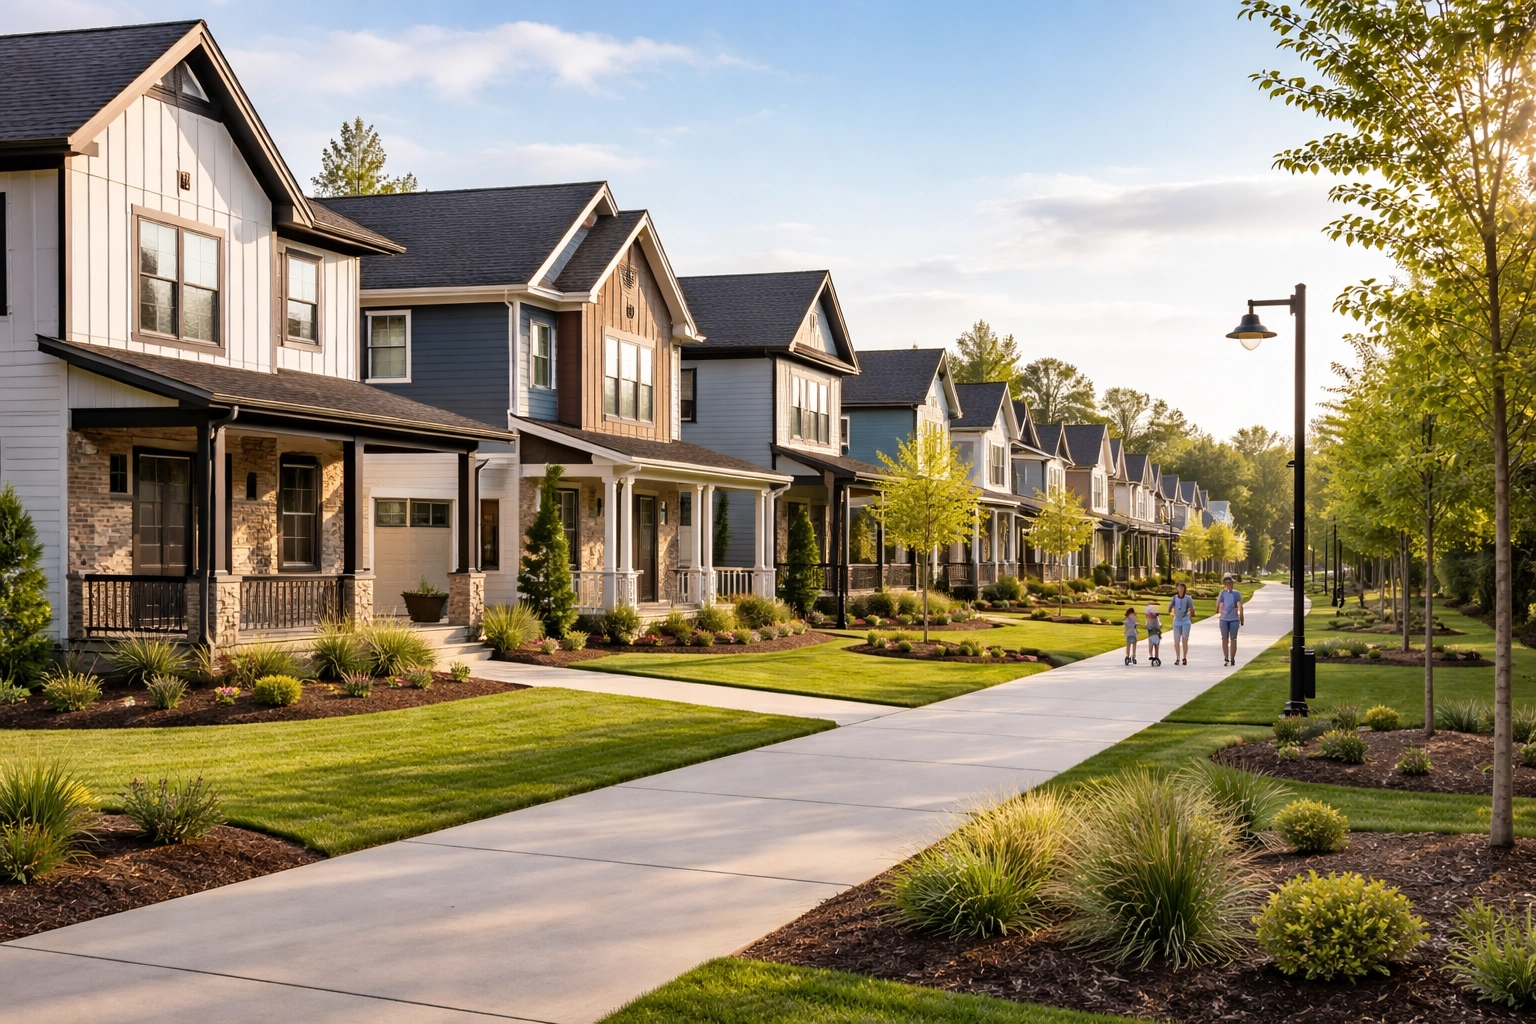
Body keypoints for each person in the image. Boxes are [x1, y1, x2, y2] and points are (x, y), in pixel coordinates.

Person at [1217, 573, 1245, 666]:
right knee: (1224, 639)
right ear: (1225, 584)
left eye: (1230, 583)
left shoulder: (1237, 594)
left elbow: (1240, 606)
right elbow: (1219, 604)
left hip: (1234, 619)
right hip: (1224, 619)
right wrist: (1220, 612)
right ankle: (1226, 658)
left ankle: (1232, 658)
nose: (1229, 584)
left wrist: (1241, 618)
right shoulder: (1223, 593)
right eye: (1227, 583)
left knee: (1233, 639)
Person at [1168, 582, 1194, 665]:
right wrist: (1171, 609)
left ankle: (1184, 657)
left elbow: (1192, 608)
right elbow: (1170, 608)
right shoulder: (1174, 598)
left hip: (1185, 620)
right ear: (1177, 589)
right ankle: (1177, 657)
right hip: (1177, 620)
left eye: (1182, 588)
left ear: (1184, 589)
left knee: (1184, 639)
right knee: (1176, 640)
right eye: (1179, 587)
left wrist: (1191, 615)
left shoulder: (1188, 598)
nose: (1181, 589)